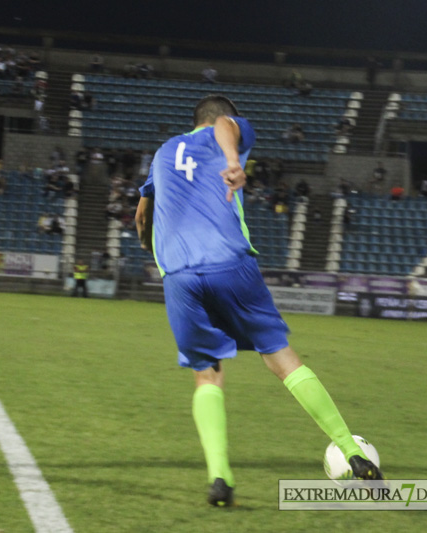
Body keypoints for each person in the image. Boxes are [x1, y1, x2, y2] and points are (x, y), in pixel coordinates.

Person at [134, 94, 382, 506]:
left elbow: (142, 217)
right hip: (228, 263)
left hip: (178, 275)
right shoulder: (226, 131)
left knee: (207, 375)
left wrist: (148, 243)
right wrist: (233, 161)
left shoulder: (163, 152)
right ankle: (352, 451)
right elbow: (224, 128)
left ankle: (220, 478)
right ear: (222, 117)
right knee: (281, 357)